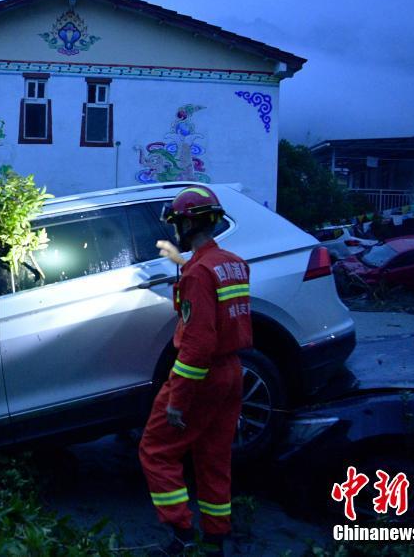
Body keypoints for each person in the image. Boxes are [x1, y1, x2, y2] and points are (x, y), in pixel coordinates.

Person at [139, 186, 253, 556]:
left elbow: (199, 343)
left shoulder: (198, 274)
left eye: (176, 223)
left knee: (156, 450)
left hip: (198, 378)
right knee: (214, 455)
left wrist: (178, 401)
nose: (175, 231)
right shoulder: (233, 263)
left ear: (187, 223)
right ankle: (216, 537)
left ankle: (181, 535)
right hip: (233, 372)